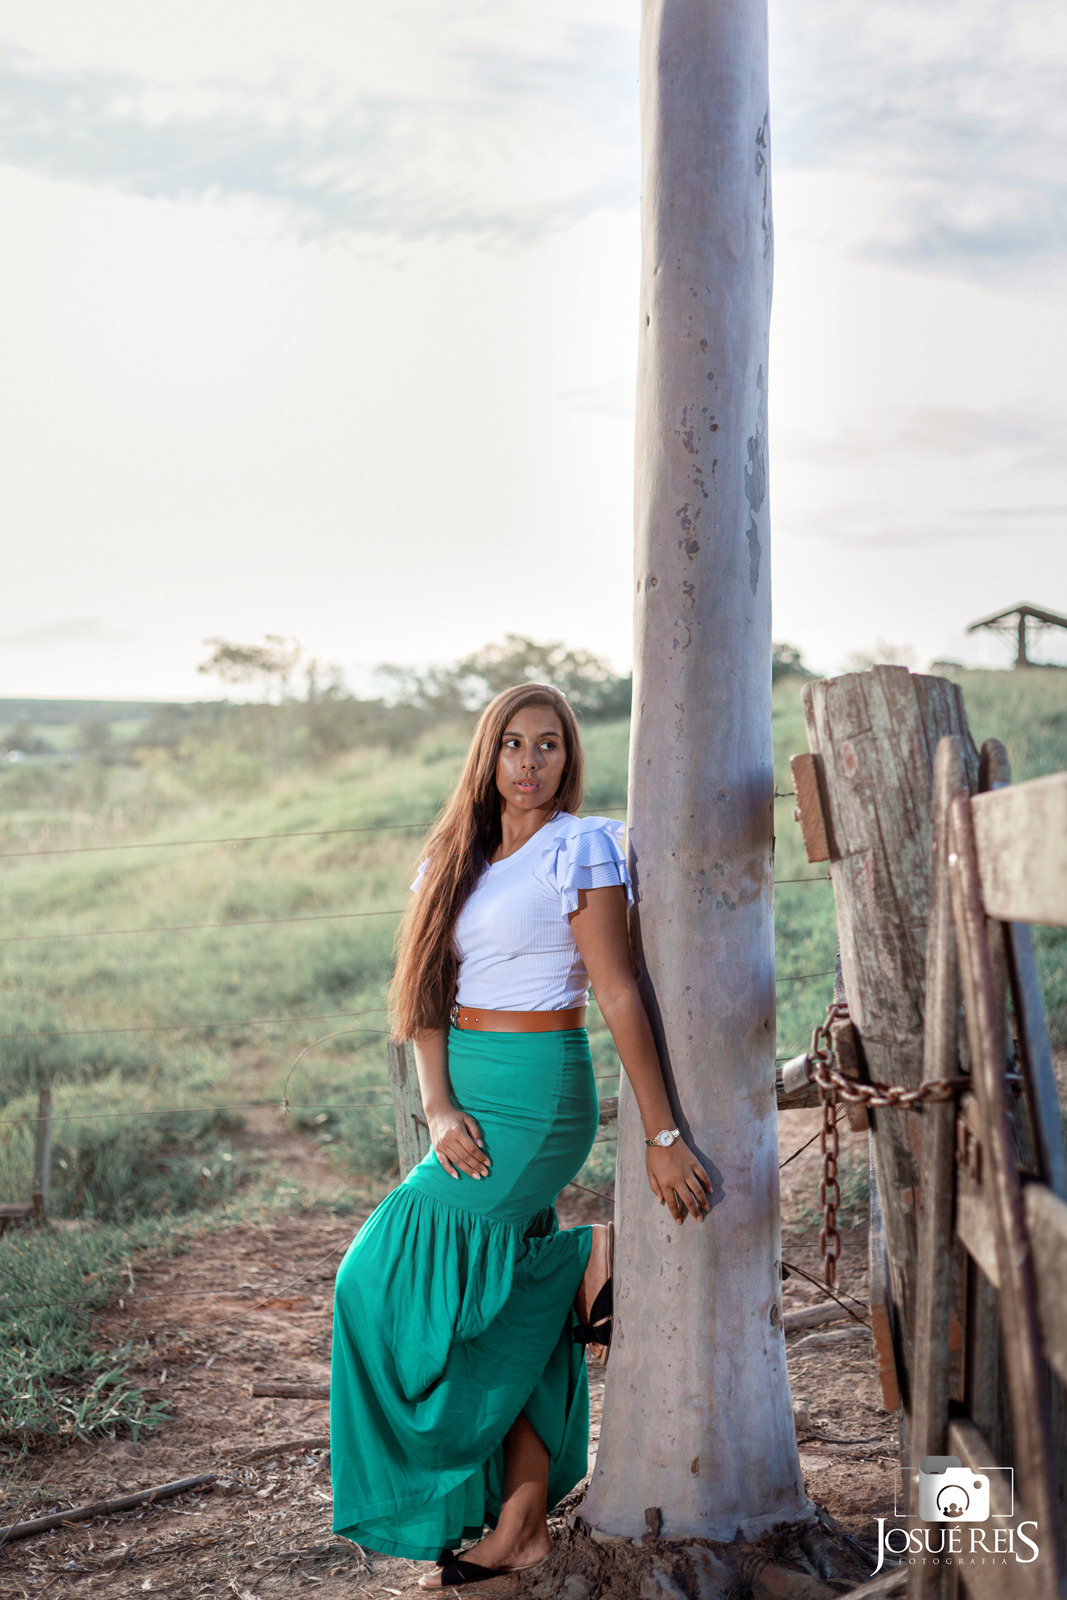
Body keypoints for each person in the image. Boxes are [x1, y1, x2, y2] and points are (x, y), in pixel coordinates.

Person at [330, 683, 711, 1590]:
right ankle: (522, 1524)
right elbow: (424, 997)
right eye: (510, 744)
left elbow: (618, 991)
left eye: (546, 744)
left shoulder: (579, 847)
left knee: (373, 1276)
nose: (528, 762)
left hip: (539, 1093)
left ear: (567, 757)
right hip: (465, 1090)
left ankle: (583, 1254)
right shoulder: (451, 859)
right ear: (486, 757)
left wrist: (662, 1133)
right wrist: (437, 1106)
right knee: (494, 1307)